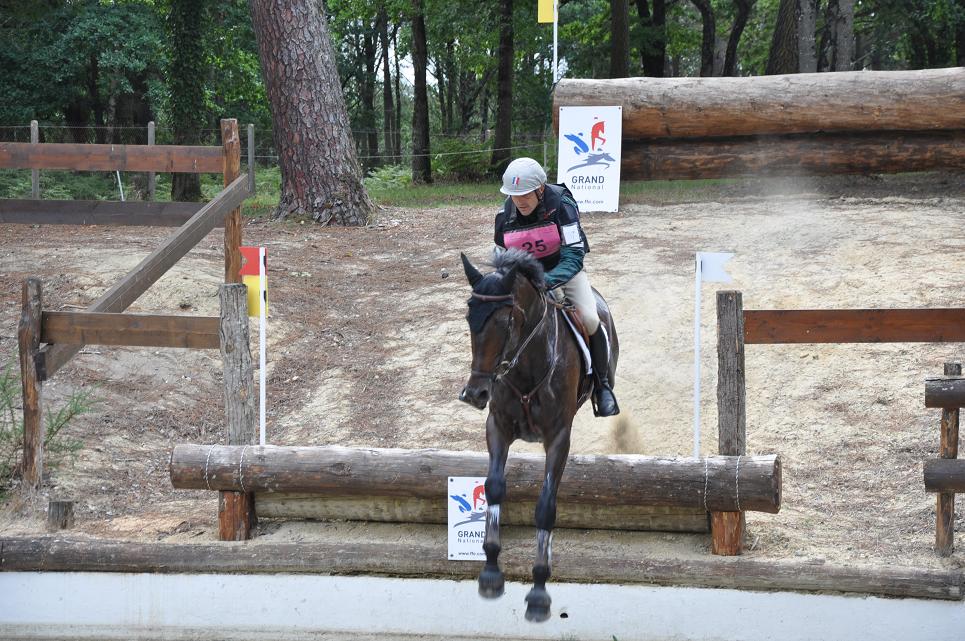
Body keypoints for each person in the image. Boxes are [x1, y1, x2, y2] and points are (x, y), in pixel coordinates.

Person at [493, 157, 619, 417]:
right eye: (514, 196)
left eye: (525, 195)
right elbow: (500, 254)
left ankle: (603, 387)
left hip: (564, 270)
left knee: (591, 318)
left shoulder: (562, 205)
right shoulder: (506, 213)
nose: (519, 202)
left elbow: (574, 254)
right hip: (525, 277)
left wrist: (548, 281)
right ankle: (487, 379)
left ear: (540, 189)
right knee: (496, 316)